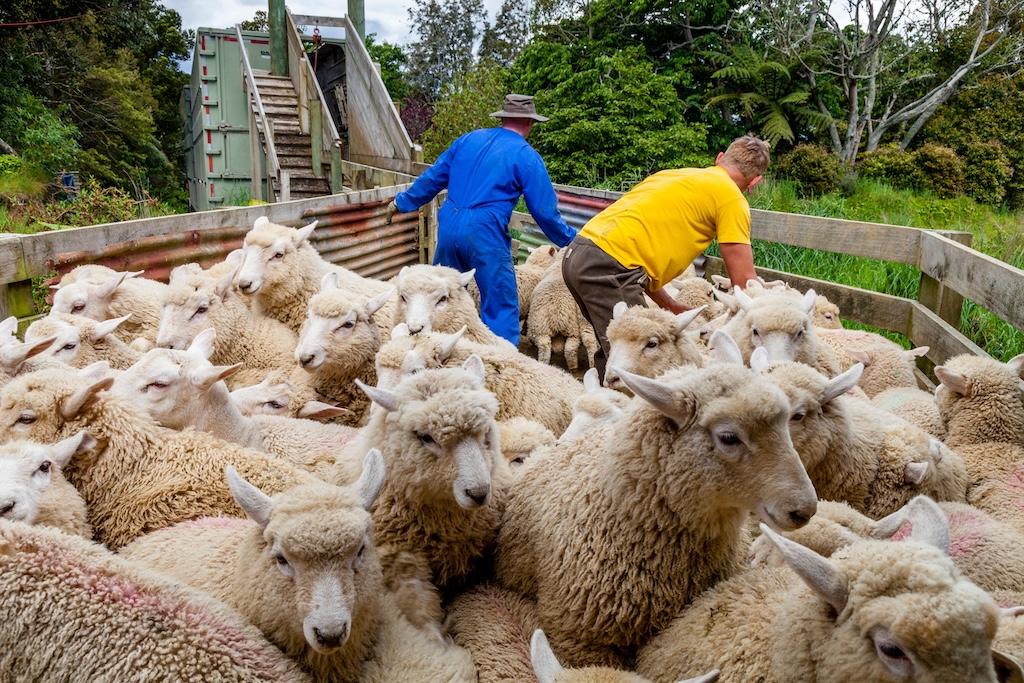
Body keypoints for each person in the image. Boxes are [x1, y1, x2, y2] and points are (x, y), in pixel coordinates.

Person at [561, 135, 771, 381]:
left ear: (720, 158)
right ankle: (619, 414)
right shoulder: (731, 199)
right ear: (754, 181)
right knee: (634, 361)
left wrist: (669, 304)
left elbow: (641, 249)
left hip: (579, 253)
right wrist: (768, 317)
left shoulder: (674, 175)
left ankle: (599, 407)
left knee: (617, 349)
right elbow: (745, 283)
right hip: (608, 267)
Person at [384, 94, 576, 346]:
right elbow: (543, 211)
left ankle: (435, 350)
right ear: (530, 123)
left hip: (449, 225)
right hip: (485, 231)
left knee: (443, 296)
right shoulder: (526, 156)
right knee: (499, 302)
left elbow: (433, 177)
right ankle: (501, 361)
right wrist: (571, 240)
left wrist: (402, 201)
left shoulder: (467, 140)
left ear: (503, 118)